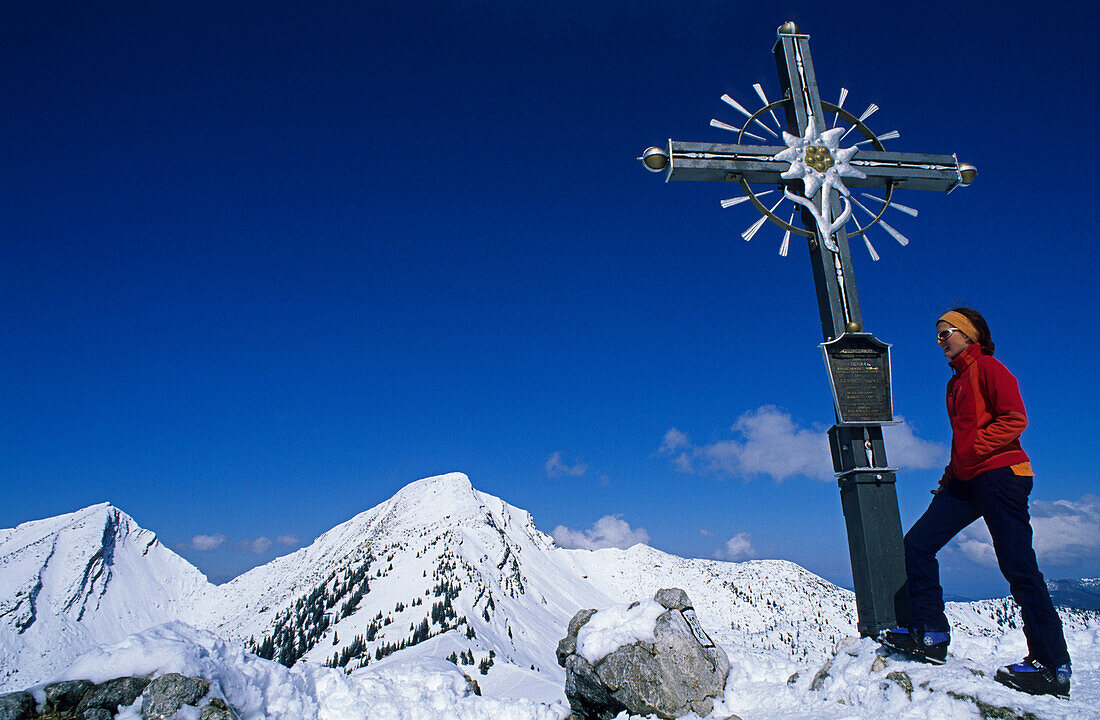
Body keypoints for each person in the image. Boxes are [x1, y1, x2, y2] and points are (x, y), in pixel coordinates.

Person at [879, 308, 1071, 698]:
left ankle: (1052, 665)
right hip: (967, 479)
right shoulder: (956, 382)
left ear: (969, 335)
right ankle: (930, 633)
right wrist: (953, 472)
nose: (940, 341)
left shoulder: (988, 367)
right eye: (937, 335)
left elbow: (1015, 419)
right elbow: (962, 438)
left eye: (945, 332)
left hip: (1001, 474)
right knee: (917, 543)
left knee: (1019, 567)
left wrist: (975, 451)